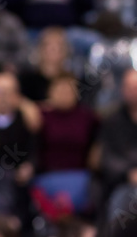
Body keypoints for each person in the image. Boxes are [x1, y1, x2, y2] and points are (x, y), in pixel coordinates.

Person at [33, 74, 100, 218]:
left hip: (81, 176)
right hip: (47, 177)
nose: (64, 94)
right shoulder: (39, 116)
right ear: (50, 93)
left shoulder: (87, 116)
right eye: (59, 90)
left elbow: (100, 138)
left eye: (68, 90)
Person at [19, 27, 79, 103]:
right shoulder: (26, 79)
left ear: (66, 51)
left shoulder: (72, 80)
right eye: (48, 45)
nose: (53, 49)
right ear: (39, 49)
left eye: (59, 45)